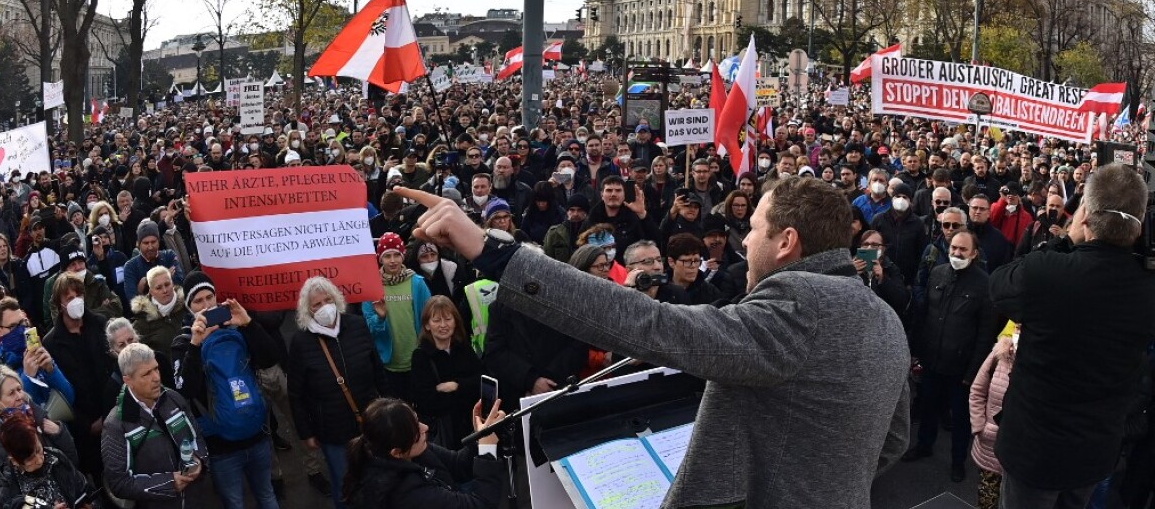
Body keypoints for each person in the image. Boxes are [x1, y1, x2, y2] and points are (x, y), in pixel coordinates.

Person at [395, 176, 910, 507]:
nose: (746, 240)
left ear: (786, 242)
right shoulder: (885, 318)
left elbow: (653, 325)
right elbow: (891, 442)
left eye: (754, 229)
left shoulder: (799, 309)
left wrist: (496, 253)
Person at [990, 164, 1155, 507]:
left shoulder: (1047, 273)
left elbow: (998, 286)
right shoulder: (1147, 289)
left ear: (1085, 216)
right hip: (1094, 455)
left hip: (1033, 453)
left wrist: (1064, 239)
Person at [170, 270, 281, 509]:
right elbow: (183, 391)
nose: (206, 305)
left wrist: (249, 324)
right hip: (221, 445)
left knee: (267, 495)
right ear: (189, 307)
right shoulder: (183, 342)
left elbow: (271, 357)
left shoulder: (236, 327)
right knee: (234, 503)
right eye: (198, 301)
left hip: (257, 432)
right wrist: (195, 345)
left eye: (210, 297)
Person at [903, 229, 997, 483]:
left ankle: (958, 461)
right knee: (929, 407)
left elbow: (985, 333)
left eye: (962, 249)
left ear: (974, 253)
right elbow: (925, 316)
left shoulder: (984, 284)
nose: (956, 253)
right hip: (932, 359)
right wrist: (917, 352)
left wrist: (973, 372)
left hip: (961, 367)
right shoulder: (938, 273)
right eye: (953, 248)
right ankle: (924, 445)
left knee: (960, 418)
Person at [288, 277, 382, 509]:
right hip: (332, 430)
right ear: (307, 311)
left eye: (327, 300)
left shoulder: (357, 325)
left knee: (378, 480)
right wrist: (306, 432)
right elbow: (296, 393)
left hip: (370, 422)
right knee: (345, 485)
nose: (323, 307)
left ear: (337, 299)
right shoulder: (301, 342)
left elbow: (378, 370)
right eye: (316, 304)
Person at [340, 397, 505, 508]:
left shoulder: (412, 450)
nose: (425, 428)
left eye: (416, 420)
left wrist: (478, 436)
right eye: (416, 432)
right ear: (396, 452)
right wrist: (487, 451)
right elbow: (482, 504)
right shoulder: (406, 493)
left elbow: (457, 464)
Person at [101, 343, 207, 509]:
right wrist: (169, 484)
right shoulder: (115, 424)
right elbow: (119, 483)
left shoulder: (173, 398)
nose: (156, 377)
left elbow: (197, 437)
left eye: (156, 369)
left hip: (195, 499)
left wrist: (199, 460)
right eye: (146, 374)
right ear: (128, 381)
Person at [42, 273, 113, 484]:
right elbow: (57, 393)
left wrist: (110, 413)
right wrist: (86, 425)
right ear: (60, 304)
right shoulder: (52, 343)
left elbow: (112, 369)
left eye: (78, 294)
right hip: (85, 429)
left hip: (113, 414)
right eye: (69, 297)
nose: (75, 301)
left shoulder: (100, 324)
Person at [0, 365, 78, 497]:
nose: (19, 396)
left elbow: (72, 461)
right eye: (11, 393)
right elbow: (3, 498)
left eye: (19, 389)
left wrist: (60, 434)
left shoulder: (38, 418)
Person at [363, 233, 432, 401]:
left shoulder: (417, 282)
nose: (392, 260)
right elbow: (368, 328)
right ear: (380, 258)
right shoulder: (372, 287)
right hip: (388, 365)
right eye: (387, 256)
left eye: (396, 255)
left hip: (416, 360)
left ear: (403, 256)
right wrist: (380, 318)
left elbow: (429, 318)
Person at [408, 296, 483, 450]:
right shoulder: (421, 357)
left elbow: (481, 381)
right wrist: (465, 391)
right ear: (427, 325)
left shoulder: (464, 348)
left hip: (470, 428)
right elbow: (427, 401)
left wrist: (456, 385)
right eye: (436, 320)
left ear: (455, 322)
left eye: (448, 319)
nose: (443, 325)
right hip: (444, 435)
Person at [0, 413, 93, 509]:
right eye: (30, 459)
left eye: (38, 450)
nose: (39, 459)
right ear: (15, 461)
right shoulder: (7, 487)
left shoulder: (55, 457)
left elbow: (83, 487)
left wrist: (89, 504)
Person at [969, 324, 1019, 509]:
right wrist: (979, 426)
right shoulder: (998, 356)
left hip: (1021, 454)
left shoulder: (1041, 367)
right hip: (991, 445)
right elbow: (977, 391)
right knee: (987, 501)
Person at [130, 266, 187, 356]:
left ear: (172, 284)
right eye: (159, 288)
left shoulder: (188, 305)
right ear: (151, 291)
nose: (164, 290)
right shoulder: (142, 323)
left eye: (167, 284)